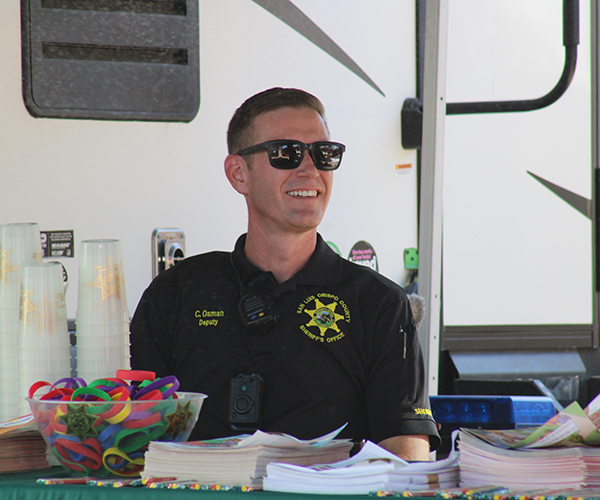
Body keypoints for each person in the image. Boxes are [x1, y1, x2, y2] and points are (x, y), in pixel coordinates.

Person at [130, 87, 440, 460]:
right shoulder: (177, 293)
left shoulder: (378, 303)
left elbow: (406, 455)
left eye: (324, 154)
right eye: (286, 153)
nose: (309, 170)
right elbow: (135, 438)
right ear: (238, 174)